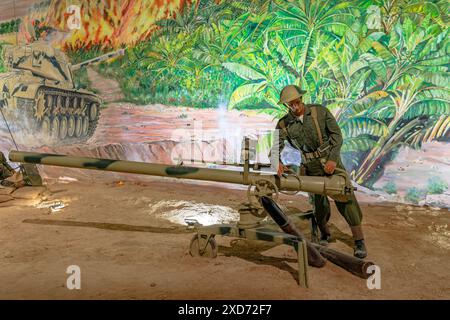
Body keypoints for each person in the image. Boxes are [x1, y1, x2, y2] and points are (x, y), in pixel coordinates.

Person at [271, 85, 367, 258]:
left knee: (345, 198)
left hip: (331, 164)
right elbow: (275, 146)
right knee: (318, 204)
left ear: (301, 99)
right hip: (310, 167)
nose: (295, 107)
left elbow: (336, 136)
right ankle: (325, 234)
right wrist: (275, 161)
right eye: (290, 104)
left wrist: (332, 158)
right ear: (286, 105)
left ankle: (359, 240)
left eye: (297, 102)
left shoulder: (319, 112)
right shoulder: (284, 124)